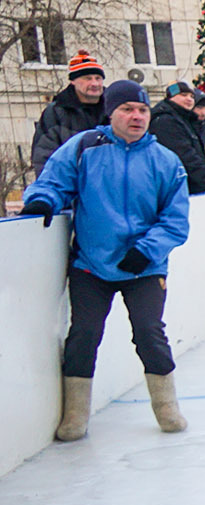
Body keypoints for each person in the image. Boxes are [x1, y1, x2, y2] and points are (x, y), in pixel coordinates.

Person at [20, 81, 190, 441]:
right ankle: (75, 414)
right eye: (128, 109)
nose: (137, 116)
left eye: (143, 110)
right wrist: (42, 202)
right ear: (111, 113)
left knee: (148, 332)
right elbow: (53, 180)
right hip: (91, 264)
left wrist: (146, 250)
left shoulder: (165, 161)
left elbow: (175, 220)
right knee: (83, 334)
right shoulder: (84, 148)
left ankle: (167, 407)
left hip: (143, 266)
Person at [29, 49, 108, 178]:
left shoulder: (115, 109)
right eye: (87, 78)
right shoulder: (56, 112)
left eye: (98, 78)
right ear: (73, 81)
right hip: (73, 188)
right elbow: (44, 157)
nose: (95, 83)